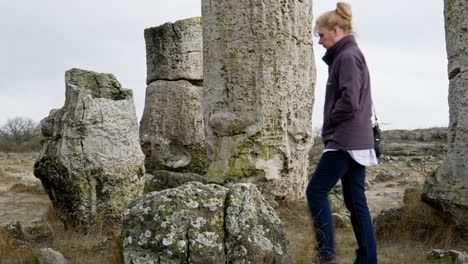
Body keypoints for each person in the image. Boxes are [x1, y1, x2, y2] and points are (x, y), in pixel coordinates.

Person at [305, 2, 378, 264]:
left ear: (335, 30)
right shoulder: (350, 54)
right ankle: (368, 259)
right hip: (357, 141)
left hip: (345, 140)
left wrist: (329, 124)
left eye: (322, 35)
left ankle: (325, 255)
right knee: (356, 201)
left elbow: (350, 101)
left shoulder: (346, 57)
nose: (320, 42)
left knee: (315, 191)